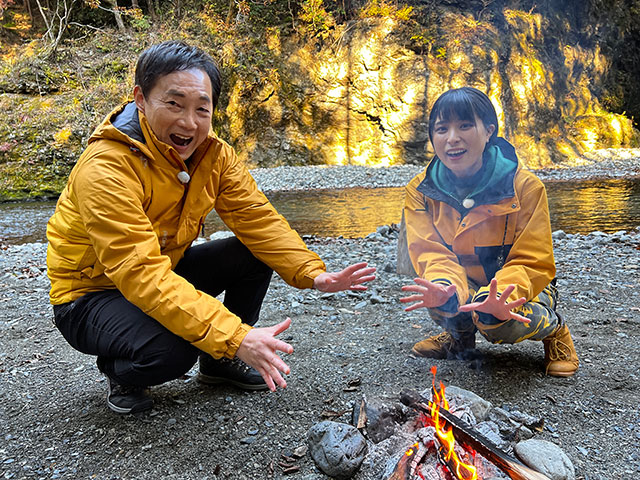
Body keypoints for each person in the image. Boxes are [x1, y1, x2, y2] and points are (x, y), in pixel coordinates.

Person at [46, 40, 375, 414]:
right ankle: (122, 371)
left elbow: (257, 218)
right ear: (140, 98)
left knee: (251, 252)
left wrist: (312, 273)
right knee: (174, 349)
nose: (189, 122)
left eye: (202, 108)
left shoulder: (214, 155)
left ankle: (220, 364)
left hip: (162, 268)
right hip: (90, 295)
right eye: (174, 104)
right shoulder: (106, 169)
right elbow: (139, 273)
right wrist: (235, 336)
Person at [399, 87, 579, 377]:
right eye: (442, 129)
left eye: (465, 125)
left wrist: (500, 299)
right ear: (433, 137)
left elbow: (532, 261)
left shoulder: (525, 187)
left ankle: (555, 329)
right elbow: (430, 252)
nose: (452, 138)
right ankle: (459, 339)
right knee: (441, 296)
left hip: (523, 286)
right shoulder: (421, 190)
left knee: (495, 319)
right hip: (466, 280)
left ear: (489, 131)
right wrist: (446, 287)